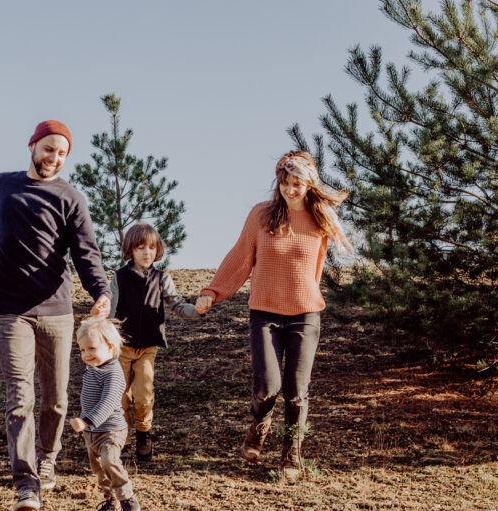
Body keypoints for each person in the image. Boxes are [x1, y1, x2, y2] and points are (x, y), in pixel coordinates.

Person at [0, 120, 110, 511]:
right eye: (48, 149)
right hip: (9, 308)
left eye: (62, 153)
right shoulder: (4, 184)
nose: (54, 158)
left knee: (57, 400)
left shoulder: (70, 198)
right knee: (19, 397)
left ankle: (48, 455)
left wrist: (100, 291)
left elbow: (86, 252)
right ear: (32, 146)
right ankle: (26, 484)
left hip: (55, 309)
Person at [195, 151, 349, 481]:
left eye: (297, 184)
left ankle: (291, 450)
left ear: (309, 185)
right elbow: (240, 257)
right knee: (267, 386)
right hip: (264, 313)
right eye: (284, 182)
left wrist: (303, 296)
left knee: (296, 390)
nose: (289, 190)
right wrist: (212, 291)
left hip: (305, 315)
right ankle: (260, 422)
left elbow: (316, 270)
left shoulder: (320, 220)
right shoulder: (261, 216)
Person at [109, 222, 200, 461]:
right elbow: (110, 311)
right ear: (130, 250)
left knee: (144, 392)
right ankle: (121, 437)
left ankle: (143, 434)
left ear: (157, 250)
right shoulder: (119, 278)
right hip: (121, 347)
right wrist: (104, 336)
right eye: (140, 247)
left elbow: (177, 304)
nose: (147, 252)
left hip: (148, 347)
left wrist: (198, 310)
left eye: (151, 247)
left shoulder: (162, 279)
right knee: (120, 395)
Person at [69, 317, 141, 511]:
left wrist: (86, 421)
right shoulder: (93, 368)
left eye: (91, 348)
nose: (86, 355)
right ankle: (112, 501)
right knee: (99, 470)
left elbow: (108, 402)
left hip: (110, 430)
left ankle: (128, 498)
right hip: (91, 433)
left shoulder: (114, 373)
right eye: (82, 350)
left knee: (110, 460)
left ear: (110, 348)